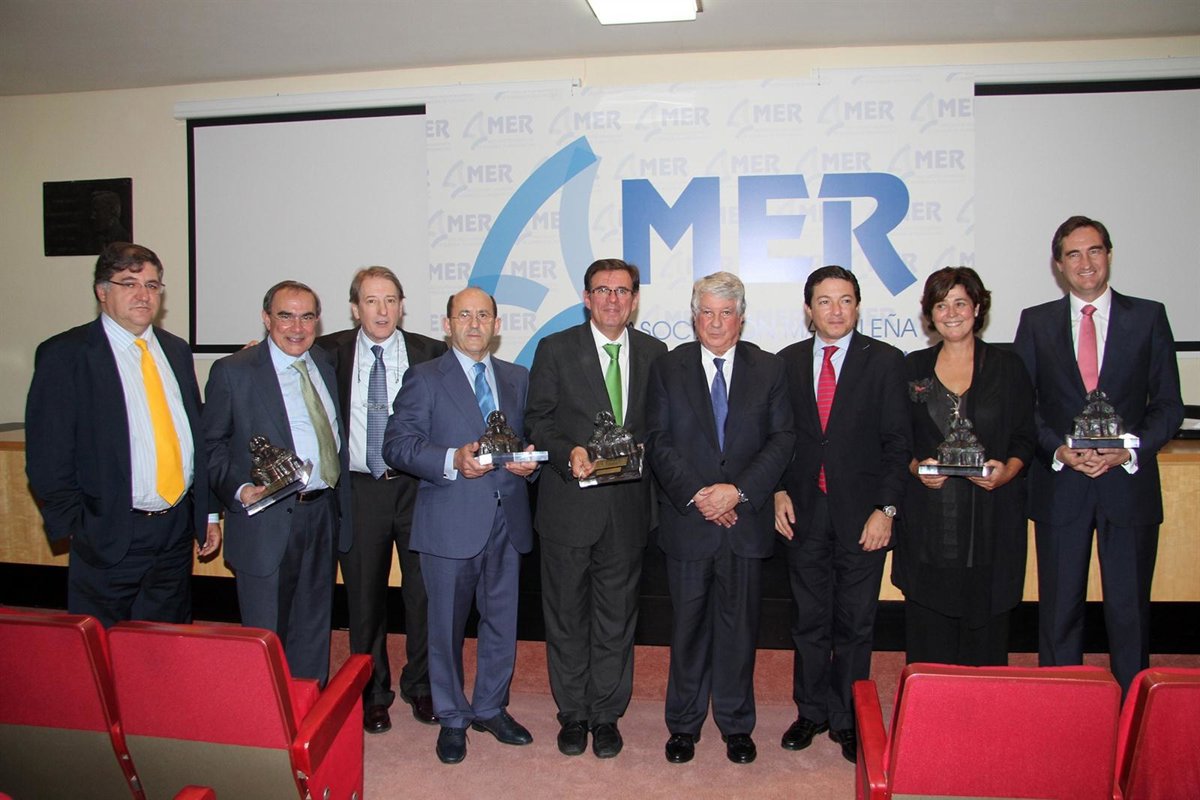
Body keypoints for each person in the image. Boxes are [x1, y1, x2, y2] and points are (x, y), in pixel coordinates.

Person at [1013, 215, 1183, 693]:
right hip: (1061, 485)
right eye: (1073, 253)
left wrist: (1128, 450)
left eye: (1094, 251)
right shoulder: (1036, 322)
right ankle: (1063, 705)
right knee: (1058, 611)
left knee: (1129, 611)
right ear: (1058, 264)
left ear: (1109, 255)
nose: (1085, 262)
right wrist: (1059, 449)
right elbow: (1023, 406)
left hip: (1128, 485)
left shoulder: (1148, 317)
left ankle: (1132, 709)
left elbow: (1168, 404)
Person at [382, 286, 540, 765]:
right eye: (464, 315)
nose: (474, 323)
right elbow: (397, 444)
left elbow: (525, 441)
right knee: (445, 627)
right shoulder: (424, 377)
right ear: (447, 325)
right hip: (449, 521)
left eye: (483, 315)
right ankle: (452, 717)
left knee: (501, 623)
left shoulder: (517, 377)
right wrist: (452, 459)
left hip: (507, 520)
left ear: (497, 325)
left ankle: (491, 707)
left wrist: (528, 464)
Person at [26, 242, 219, 626]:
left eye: (152, 285)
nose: (143, 295)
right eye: (129, 283)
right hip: (110, 533)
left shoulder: (175, 351)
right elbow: (48, 457)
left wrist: (206, 513)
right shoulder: (66, 355)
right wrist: (82, 529)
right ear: (102, 291)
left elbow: (194, 439)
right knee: (103, 647)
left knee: (164, 643)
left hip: (174, 532)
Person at [645, 272, 794, 766]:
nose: (715, 322)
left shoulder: (769, 369)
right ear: (694, 318)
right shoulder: (668, 368)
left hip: (745, 523)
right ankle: (683, 724)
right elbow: (657, 440)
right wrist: (699, 495)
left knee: (739, 630)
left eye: (725, 313)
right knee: (687, 628)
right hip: (689, 522)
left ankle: (736, 723)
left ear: (741, 318)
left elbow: (782, 440)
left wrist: (738, 493)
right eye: (706, 312)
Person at [525, 258, 667, 759]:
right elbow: (537, 421)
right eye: (602, 290)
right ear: (586, 298)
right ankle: (573, 713)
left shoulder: (654, 353)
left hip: (627, 510)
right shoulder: (555, 349)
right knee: (566, 617)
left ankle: (606, 715)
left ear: (634, 300)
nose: (612, 299)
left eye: (622, 291)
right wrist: (568, 452)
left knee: (616, 619)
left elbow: (661, 428)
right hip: (569, 508)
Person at [775, 265, 910, 763]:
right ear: (808, 309)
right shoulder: (786, 362)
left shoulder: (886, 361)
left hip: (863, 517)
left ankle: (849, 717)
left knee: (855, 623)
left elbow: (898, 444)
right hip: (803, 512)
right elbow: (778, 439)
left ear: (857, 306)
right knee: (808, 621)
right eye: (825, 301)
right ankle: (811, 711)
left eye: (846, 300)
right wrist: (777, 491)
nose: (836, 310)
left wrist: (886, 509)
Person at [315, 266, 447, 733]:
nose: (382, 310)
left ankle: (422, 684)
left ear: (402, 306)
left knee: (423, 593)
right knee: (364, 598)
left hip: (417, 487)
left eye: (390, 300)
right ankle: (372, 691)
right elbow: (277, 362)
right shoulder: (326, 352)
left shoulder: (431, 353)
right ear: (355, 308)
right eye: (371, 301)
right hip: (359, 489)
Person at [203, 280, 352, 685]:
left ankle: (308, 709)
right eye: (286, 316)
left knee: (314, 626)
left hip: (322, 513)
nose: (297, 327)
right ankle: (264, 720)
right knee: (266, 635)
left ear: (318, 321)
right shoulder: (234, 371)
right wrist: (239, 489)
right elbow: (211, 445)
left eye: (307, 317)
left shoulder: (324, 362)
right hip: (265, 519)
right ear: (267, 319)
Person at [894, 267, 1035, 666]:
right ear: (930, 313)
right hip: (929, 526)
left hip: (991, 523)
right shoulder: (912, 367)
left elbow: (1026, 435)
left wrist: (1007, 471)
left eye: (960, 303)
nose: (951, 313)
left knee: (985, 646)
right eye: (941, 305)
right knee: (929, 645)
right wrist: (916, 468)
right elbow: (895, 438)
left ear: (977, 308)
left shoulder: (1008, 366)